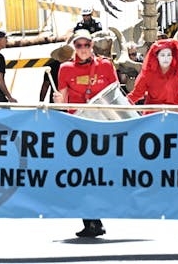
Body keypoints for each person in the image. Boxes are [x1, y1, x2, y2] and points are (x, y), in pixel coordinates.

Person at [53, 29, 118, 238]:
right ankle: (91, 220)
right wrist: (58, 101)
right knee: (82, 177)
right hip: (78, 129)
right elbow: (62, 102)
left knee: (102, 175)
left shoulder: (106, 65)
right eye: (79, 45)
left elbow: (115, 95)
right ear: (74, 48)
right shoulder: (65, 69)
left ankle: (96, 218)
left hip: (102, 128)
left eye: (86, 45)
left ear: (92, 46)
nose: (83, 49)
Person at [127, 39, 178, 109]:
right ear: (157, 56)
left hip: (174, 114)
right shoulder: (148, 74)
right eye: (162, 55)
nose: (166, 58)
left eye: (169, 55)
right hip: (153, 114)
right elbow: (136, 94)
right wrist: (121, 104)